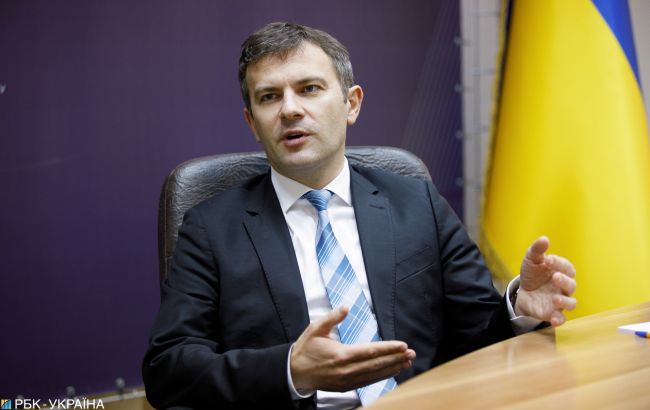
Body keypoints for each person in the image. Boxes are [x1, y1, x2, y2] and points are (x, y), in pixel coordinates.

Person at [142, 22, 577, 410]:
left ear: (352, 104)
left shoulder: (417, 203)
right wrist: (291, 369)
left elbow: (477, 333)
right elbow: (168, 369)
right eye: (269, 97)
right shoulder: (211, 228)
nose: (289, 109)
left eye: (309, 89)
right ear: (253, 123)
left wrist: (519, 309)